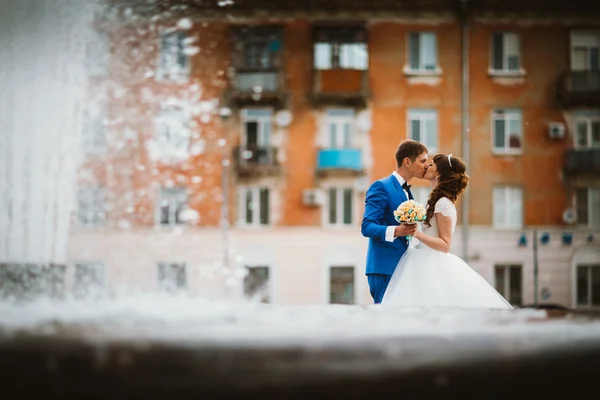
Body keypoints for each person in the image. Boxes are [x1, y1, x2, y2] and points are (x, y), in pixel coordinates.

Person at [381, 153, 513, 309]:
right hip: (420, 257)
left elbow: (445, 244)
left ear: (439, 173)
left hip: (431, 262)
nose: (426, 166)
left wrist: (418, 234)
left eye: (431, 165)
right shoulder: (435, 201)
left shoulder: (443, 204)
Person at [361, 140, 429, 304]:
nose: (426, 165)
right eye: (423, 161)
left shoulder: (407, 191)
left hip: (403, 268)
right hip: (385, 269)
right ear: (407, 162)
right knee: (384, 323)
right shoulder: (381, 186)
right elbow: (367, 227)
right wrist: (397, 231)